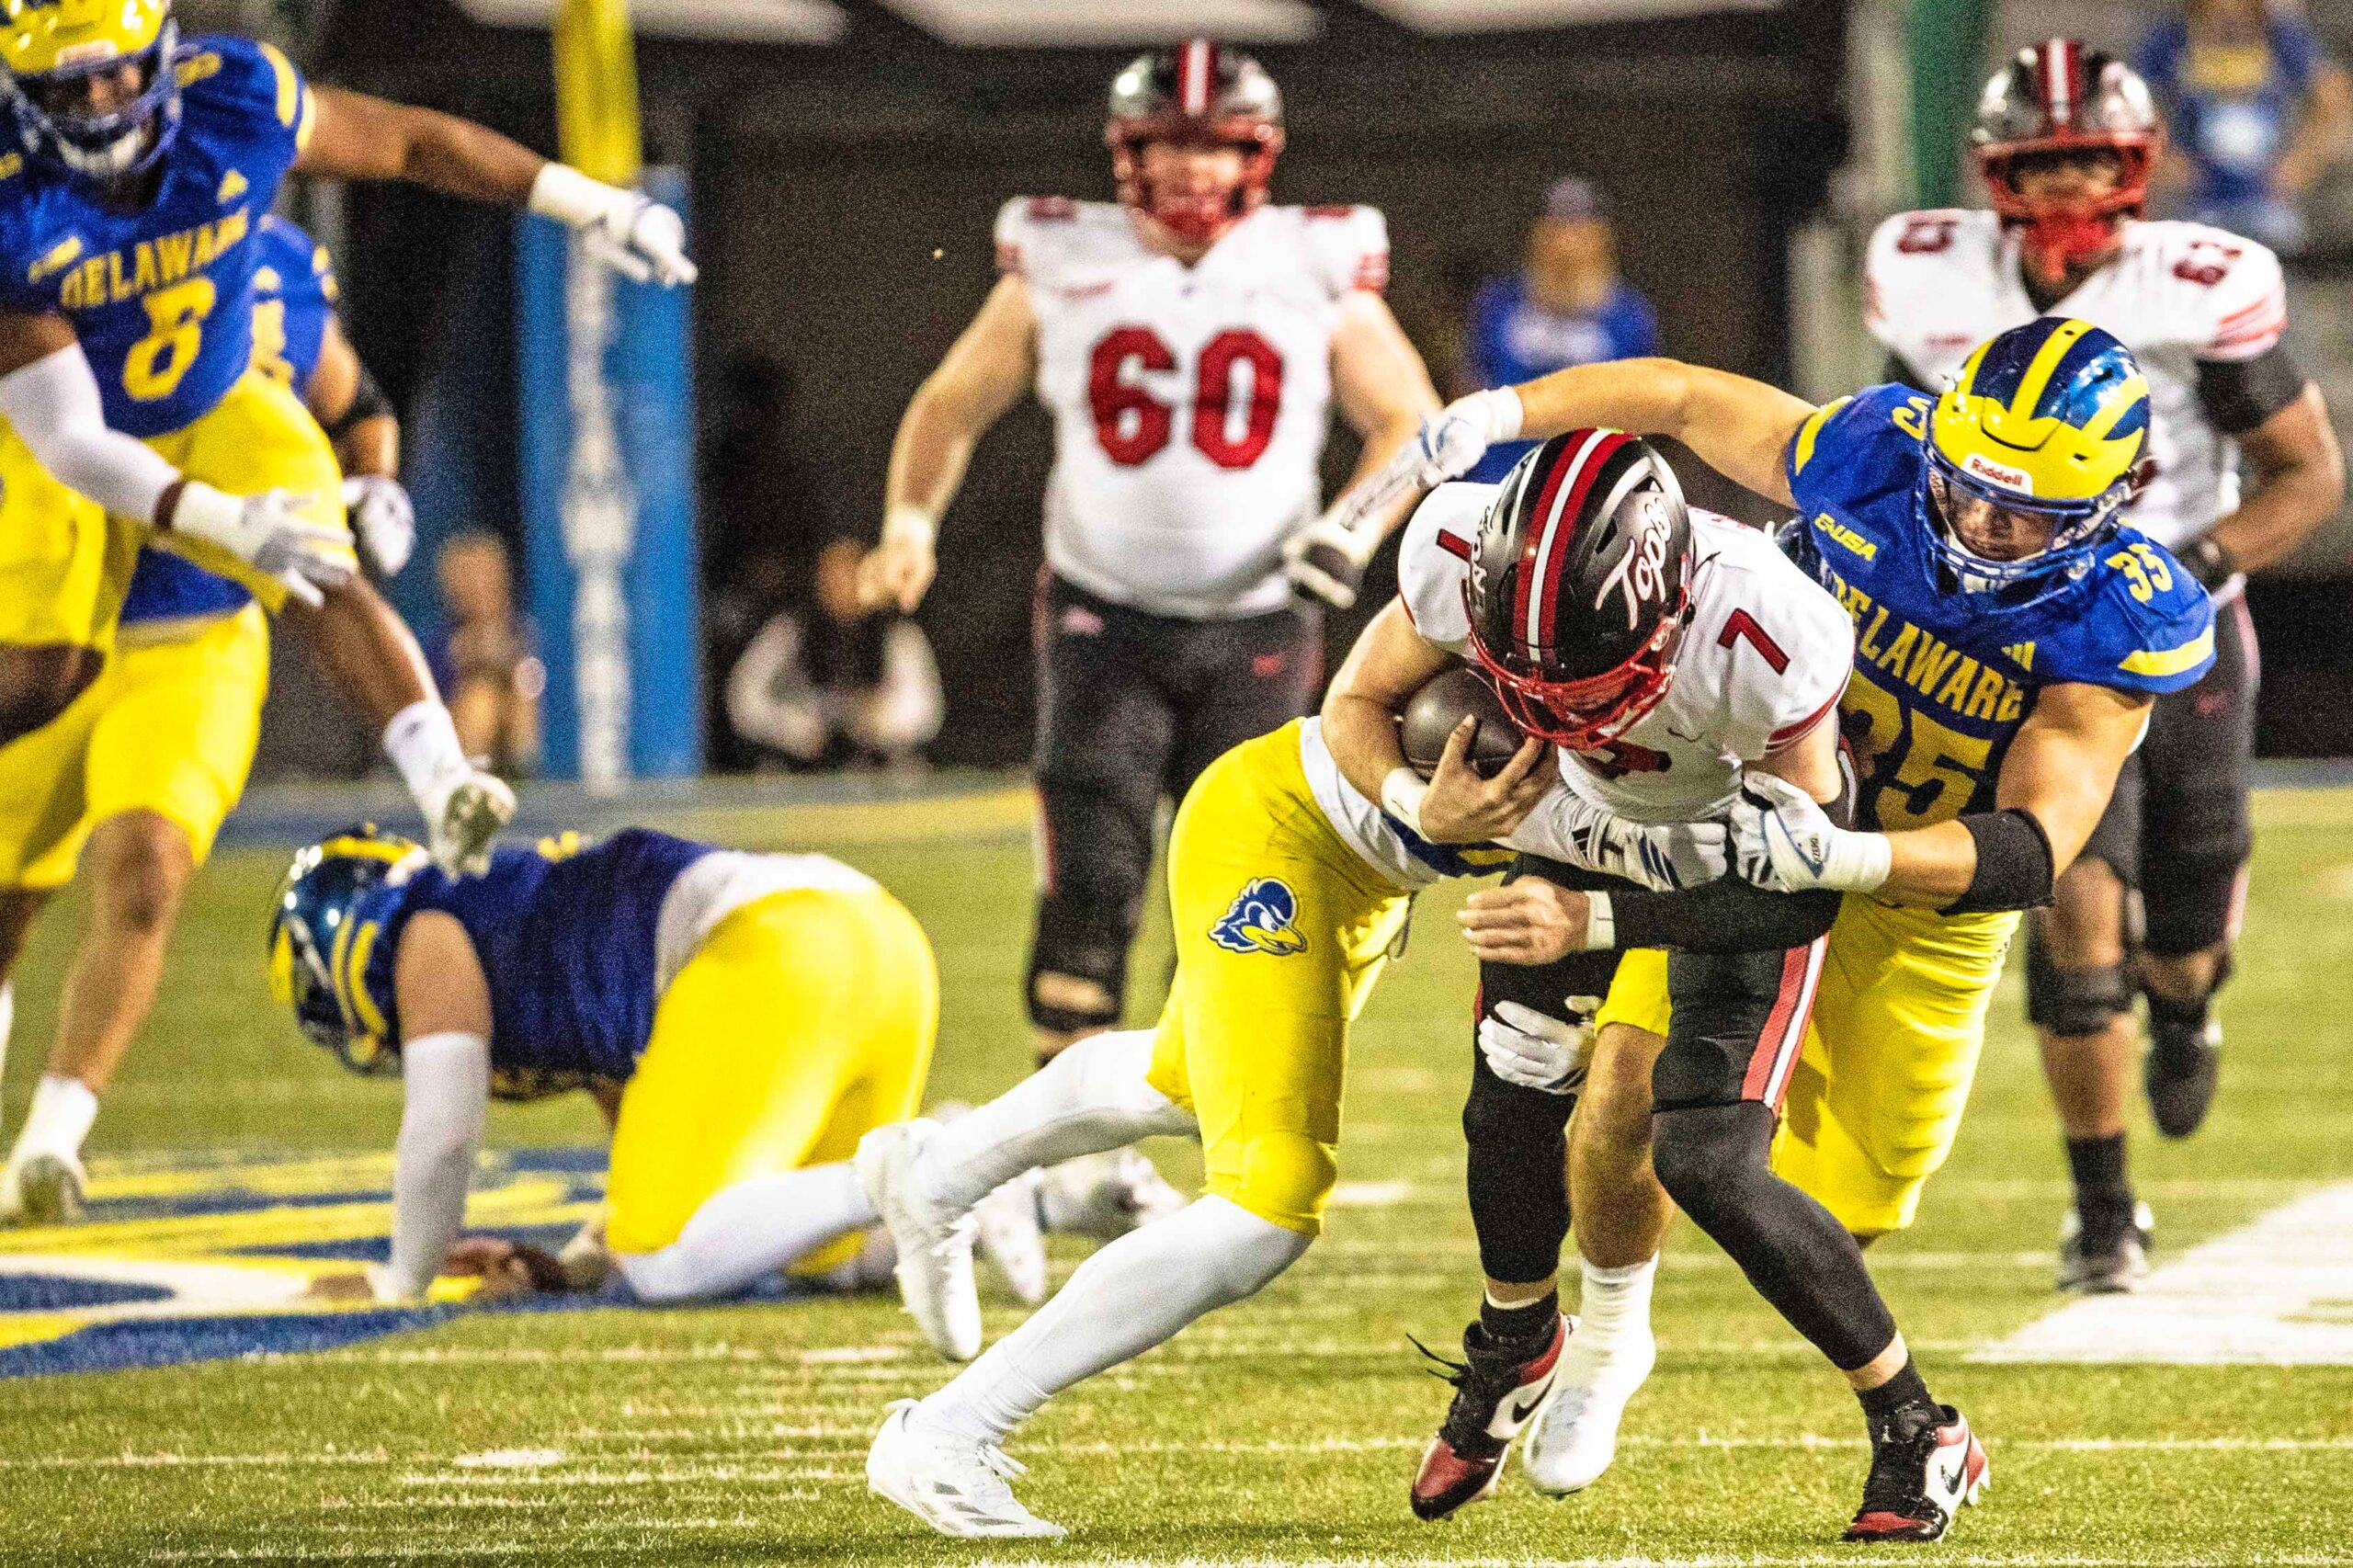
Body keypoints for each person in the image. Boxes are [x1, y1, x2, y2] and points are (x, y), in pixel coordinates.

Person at [853, 437, 1804, 1542]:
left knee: (1182, 1080)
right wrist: (1416, 796)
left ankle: (936, 1168)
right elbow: (1356, 699)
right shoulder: (1473, 555)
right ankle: (949, 1431)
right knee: (1268, 1200)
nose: (1548, 692)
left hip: (1368, 885)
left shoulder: (1759, 663)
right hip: (1290, 825)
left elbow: (1781, 862)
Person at [1397, 315, 2214, 1540]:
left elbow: (2033, 848)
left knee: (1832, 1208)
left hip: (1919, 898)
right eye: (1969, 486)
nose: (1983, 525)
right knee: (1627, 1105)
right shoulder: (1877, 457)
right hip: (1740, 833)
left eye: (2027, 511)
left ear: (2109, 503)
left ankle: (1909, 1419)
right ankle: (1609, 1343)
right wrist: (1514, 411)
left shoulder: (2117, 617)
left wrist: (1846, 851)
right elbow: (1676, 393)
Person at [0, 1, 692, 1222]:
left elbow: (413, 162)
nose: (101, 113)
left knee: (311, 572)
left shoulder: (241, 112)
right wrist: (220, 519)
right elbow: (67, 436)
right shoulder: (13, 203)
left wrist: (593, 204)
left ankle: (443, 781)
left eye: (117, 83)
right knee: (37, 683)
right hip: (58, 457)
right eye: (71, 95)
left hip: (202, 472)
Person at [858, 39, 1440, 1071]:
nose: (1189, 168)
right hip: (1103, 612)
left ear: (1255, 154)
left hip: (1261, 614)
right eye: (1166, 144)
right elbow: (954, 402)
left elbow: (1408, 415)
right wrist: (910, 522)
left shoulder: (1313, 260)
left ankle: (1197, 1112)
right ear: (1125, 150)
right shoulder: (1062, 254)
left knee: (1241, 877)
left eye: (1213, 146)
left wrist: (1350, 528)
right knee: (1090, 872)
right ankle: (1067, 1143)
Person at [1870, 40, 2342, 1292]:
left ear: (2135, 167)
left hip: (2168, 637)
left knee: (2176, 934)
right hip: (2021, 644)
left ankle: (2187, 1004)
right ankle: (2104, 1209)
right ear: (1992, 173)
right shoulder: (1929, 279)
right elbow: (1895, 443)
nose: (2069, 188)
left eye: (2091, 160)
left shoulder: (2193, 289)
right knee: (2073, 904)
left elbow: (2309, 474)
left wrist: (2189, 563)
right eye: (2043, 163)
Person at [0, 214, 415, 1224]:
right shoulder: (42, 250)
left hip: (194, 627)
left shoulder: (268, 260)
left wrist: (374, 482)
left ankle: (52, 1142)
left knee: (146, 869)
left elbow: (355, 401)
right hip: (51, 622)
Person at [266, 823, 1045, 1308]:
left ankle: (919, 1166)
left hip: (778, 951)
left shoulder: (426, 929)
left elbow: (442, 1130)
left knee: (663, 1260)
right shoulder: (522, 920)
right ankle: (1007, 1173)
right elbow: (652, 1116)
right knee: (828, 1255)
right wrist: (575, 1263)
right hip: (875, 942)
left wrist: (403, 1278)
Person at [1458, 176, 1658, 481]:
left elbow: (1647, 408)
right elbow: (1468, 383)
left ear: (1602, 240)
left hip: (1591, 486)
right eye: (1555, 230)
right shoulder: (1498, 303)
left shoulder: (1629, 316)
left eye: (1580, 231)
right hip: (1496, 482)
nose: (1566, 245)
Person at [2137, 0, 2352, 251]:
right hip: (2197, 201)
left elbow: (2334, 95)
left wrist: (2302, 161)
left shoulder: (2282, 35)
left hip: (2268, 200)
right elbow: (2134, 99)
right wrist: (2165, 159)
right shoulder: (2170, 38)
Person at [726, 537, 944, 771]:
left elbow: (925, 711)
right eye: (832, 575)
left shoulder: (897, 635)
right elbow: (743, 696)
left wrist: (876, 723)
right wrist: (795, 728)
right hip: (800, 765)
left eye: (851, 574)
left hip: (877, 765)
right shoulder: (789, 630)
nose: (841, 584)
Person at [428, 532, 543, 777]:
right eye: (468, 579)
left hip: (519, 739)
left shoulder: (529, 633)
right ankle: (468, 786)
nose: (479, 588)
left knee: (523, 690)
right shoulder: (438, 645)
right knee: (481, 701)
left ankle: (526, 778)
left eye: (487, 576)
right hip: (453, 752)